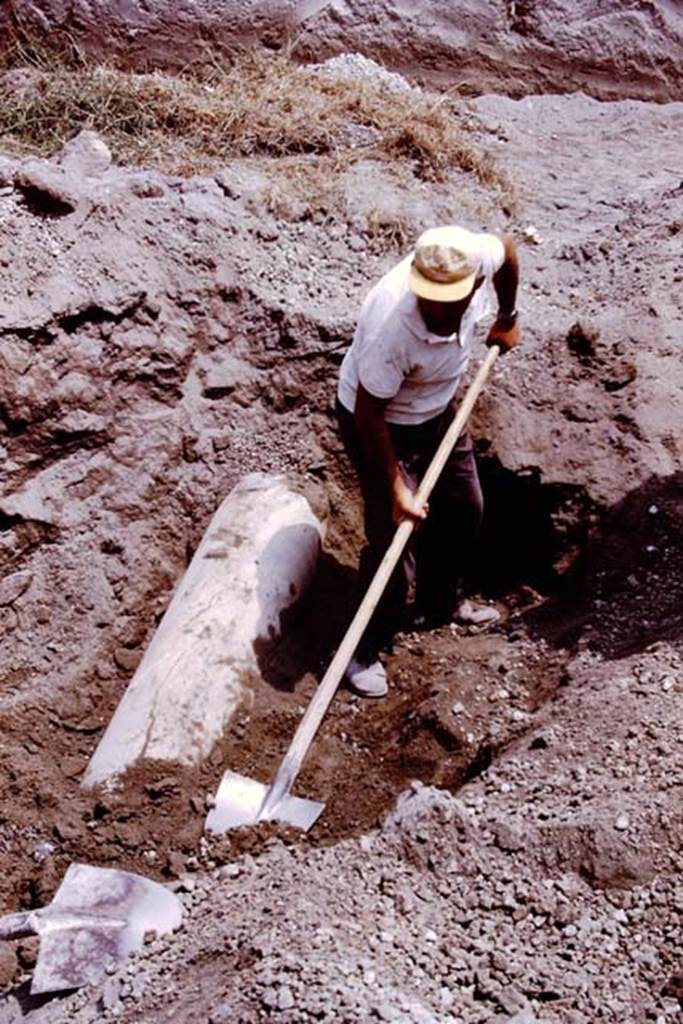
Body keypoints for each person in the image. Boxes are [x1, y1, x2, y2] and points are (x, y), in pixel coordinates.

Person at [336, 224, 520, 698]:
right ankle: (363, 648)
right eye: (430, 298)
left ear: (474, 283)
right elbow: (368, 416)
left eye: (449, 301)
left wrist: (507, 315)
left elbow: (508, 249)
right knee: (395, 539)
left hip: (437, 408)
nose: (436, 309)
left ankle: (443, 602)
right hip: (382, 422)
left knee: (465, 506)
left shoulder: (478, 259)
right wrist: (398, 488)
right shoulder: (390, 328)